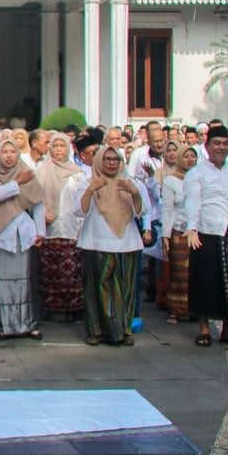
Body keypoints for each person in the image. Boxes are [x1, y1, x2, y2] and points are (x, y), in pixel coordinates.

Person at [185, 127, 228, 347]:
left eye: (225, 143)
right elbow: (193, 202)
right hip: (206, 232)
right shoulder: (196, 173)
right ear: (207, 146)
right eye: (217, 143)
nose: (221, 148)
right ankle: (204, 329)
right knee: (205, 280)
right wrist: (192, 229)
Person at [77, 145, 145, 345]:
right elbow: (78, 211)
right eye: (107, 159)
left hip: (126, 243)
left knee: (125, 289)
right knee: (96, 288)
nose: (112, 163)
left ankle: (123, 330)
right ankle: (96, 331)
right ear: (99, 161)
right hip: (96, 242)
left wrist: (135, 193)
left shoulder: (129, 182)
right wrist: (91, 190)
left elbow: (141, 211)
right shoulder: (88, 182)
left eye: (116, 159)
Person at [0, 137, 46, 341]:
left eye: (13, 152)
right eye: (5, 152)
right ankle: (3, 325)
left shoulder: (28, 174)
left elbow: (38, 204)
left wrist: (40, 232)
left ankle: (30, 324)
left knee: (25, 282)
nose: (9, 156)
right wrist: (17, 181)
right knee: (1, 282)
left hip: (24, 235)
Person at [36, 130, 92, 322]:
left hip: (71, 228)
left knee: (71, 271)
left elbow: (83, 202)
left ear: (68, 149)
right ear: (49, 148)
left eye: (62, 146)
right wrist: (42, 213)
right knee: (50, 272)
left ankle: (72, 309)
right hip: (48, 228)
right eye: (55, 146)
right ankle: (51, 309)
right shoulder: (41, 170)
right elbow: (33, 198)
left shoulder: (77, 173)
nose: (59, 150)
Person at [159, 143, 197, 324]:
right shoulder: (171, 181)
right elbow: (167, 210)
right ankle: (176, 310)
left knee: (196, 273)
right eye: (186, 156)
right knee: (178, 273)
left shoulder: (200, 179)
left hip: (198, 232)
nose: (190, 160)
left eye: (193, 156)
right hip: (179, 232)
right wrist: (165, 235)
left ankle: (196, 309)